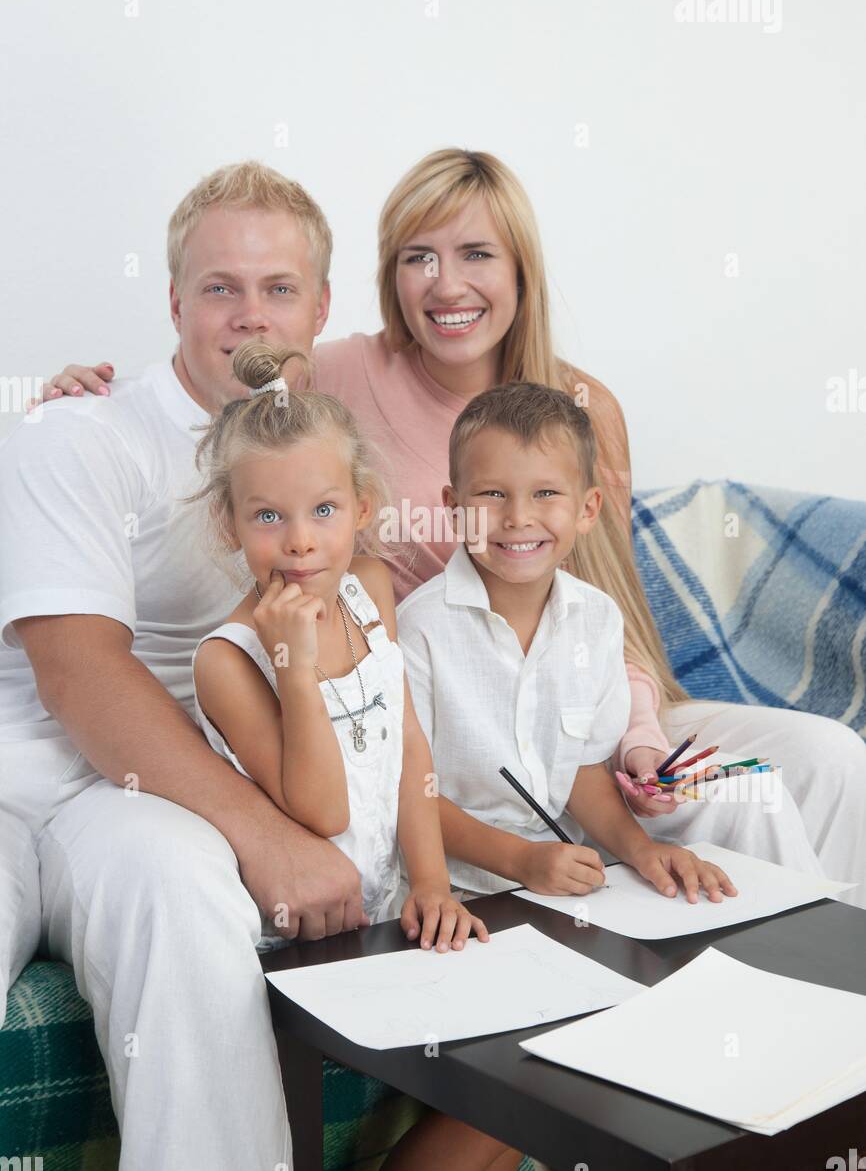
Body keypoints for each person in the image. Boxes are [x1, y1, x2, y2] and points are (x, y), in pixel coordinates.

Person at [48, 150, 866, 891]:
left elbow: (613, 618)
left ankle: (831, 1012)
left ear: (521, 271)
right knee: (716, 809)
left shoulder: (583, 407)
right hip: (449, 725)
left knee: (830, 759)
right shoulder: (329, 375)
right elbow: (226, 392)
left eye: (477, 254)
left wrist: (639, 739)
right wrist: (91, 401)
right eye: (418, 259)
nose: (446, 285)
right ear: (387, 278)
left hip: (597, 711)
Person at [0, 165, 364, 1171]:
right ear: (173, 301)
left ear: (320, 309)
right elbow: (78, 673)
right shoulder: (78, 429)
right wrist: (266, 837)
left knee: (183, 886)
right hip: (17, 773)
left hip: (135, 797)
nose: (249, 317)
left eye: (279, 289)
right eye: (220, 288)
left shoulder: (307, 464)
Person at [185, 334, 522, 1171]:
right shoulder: (227, 661)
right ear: (228, 522)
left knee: (534, 1075)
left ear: (363, 507)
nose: (300, 543)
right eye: (268, 516)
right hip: (308, 936)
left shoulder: (370, 589)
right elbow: (324, 811)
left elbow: (409, 749)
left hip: (396, 897)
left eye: (323, 511)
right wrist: (294, 663)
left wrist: (436, 885)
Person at [397, 380, 824, 890]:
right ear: (453, 505)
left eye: (546, 493)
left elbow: (579, 771)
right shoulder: (419, 629)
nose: (517, 518)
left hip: (560, 875)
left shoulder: (596, 618)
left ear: (588, 509)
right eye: (492, 494)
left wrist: (644, 852)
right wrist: (521, 861)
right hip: (456, 887)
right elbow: (406, 792)